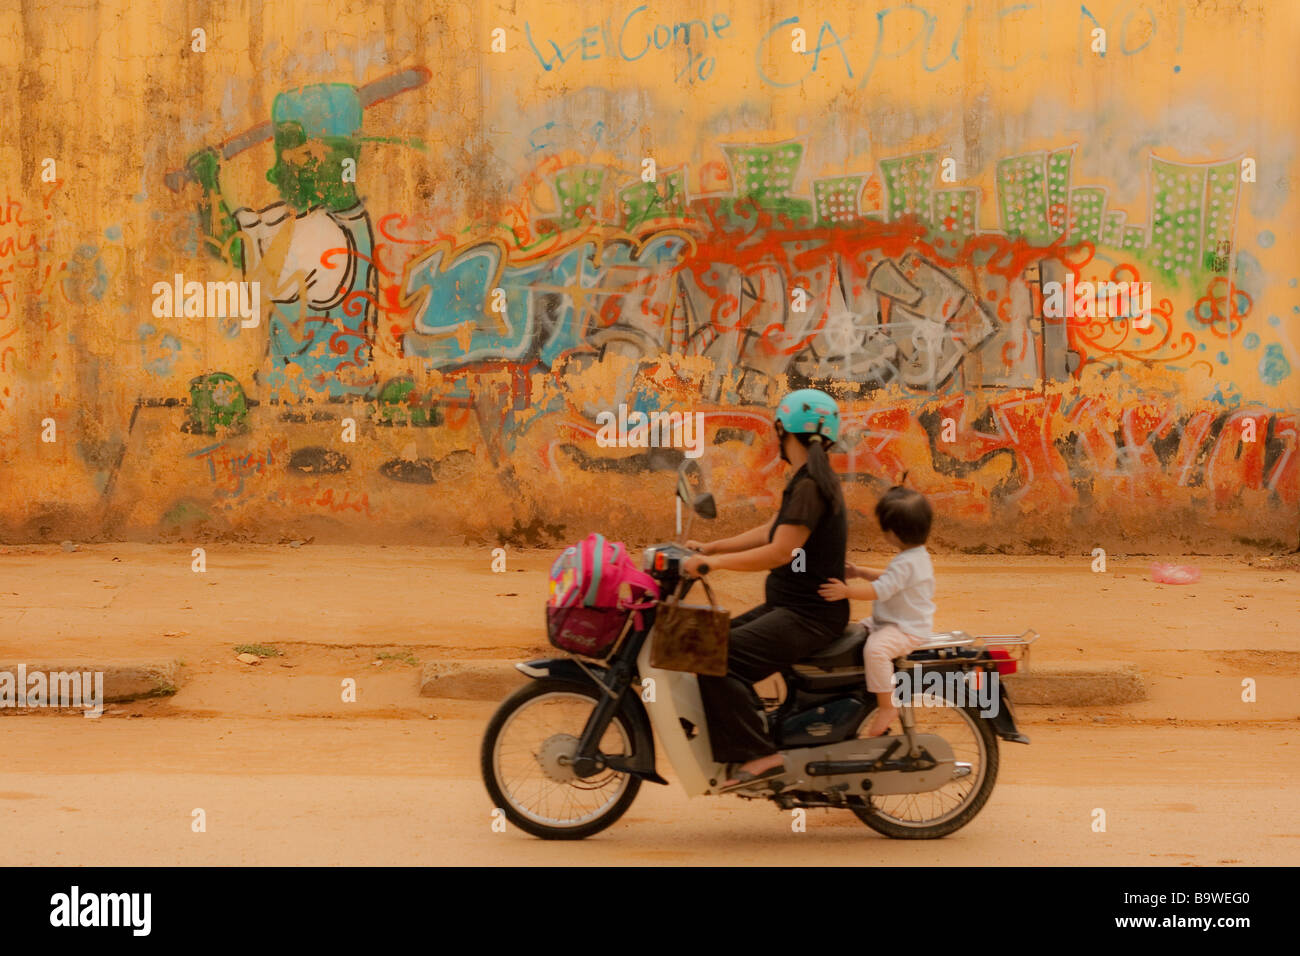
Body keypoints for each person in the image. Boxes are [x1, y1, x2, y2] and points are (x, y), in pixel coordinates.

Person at [681, 388, 848, 790]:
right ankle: (754, 733)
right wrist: (714, 546)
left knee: (715, 658)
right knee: (706, 647)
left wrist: (714, 564)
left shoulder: (810, 485)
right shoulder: (811, 480)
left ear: (782, 430)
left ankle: (761, 756)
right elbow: (777, 529)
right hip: (797, 609)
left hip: (808, 617)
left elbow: (779, 551)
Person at [818, 485, 935, 737]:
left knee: (876, 649)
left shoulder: (907, 561)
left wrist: (847, 591)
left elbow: (881, 589)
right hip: (894, 620)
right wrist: (860, 571)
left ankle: (886, 705)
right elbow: (889, 577)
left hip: (904, 629)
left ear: (892, 532)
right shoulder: (915, 556)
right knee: (857, 636)